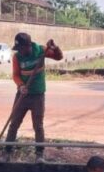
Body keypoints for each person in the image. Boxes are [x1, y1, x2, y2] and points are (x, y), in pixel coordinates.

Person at [4, 32, 63, 163]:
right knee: (13, 124)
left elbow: (59, 57)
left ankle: (39, 154)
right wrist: (21, 86)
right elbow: (15, 75)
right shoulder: (17, 57)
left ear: (28, 45)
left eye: (22, 48)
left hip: (38, 96)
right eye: (18, 49)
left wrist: (55, 48)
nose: (20, 51)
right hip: (22, 95)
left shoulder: (41, 50)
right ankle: (7, 152)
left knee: (38, 126)